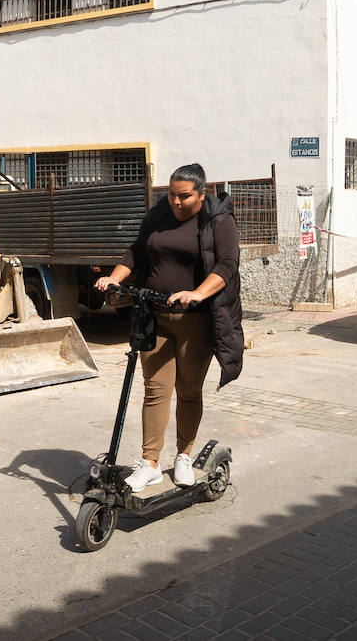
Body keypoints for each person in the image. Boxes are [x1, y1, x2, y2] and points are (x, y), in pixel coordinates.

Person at [94, 163, 244, 491]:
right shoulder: (159, 212)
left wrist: (197, 293)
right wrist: (114, 277)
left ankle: (184, 457)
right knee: (155, 389)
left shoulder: (218, 219)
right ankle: (149, 462)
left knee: (188, 391)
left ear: (202, 194)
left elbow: (227, 264)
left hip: (197, 320)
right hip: (154, 314)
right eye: (172, 195)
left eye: (185, 197)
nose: (176, 202)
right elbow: (135, 251)